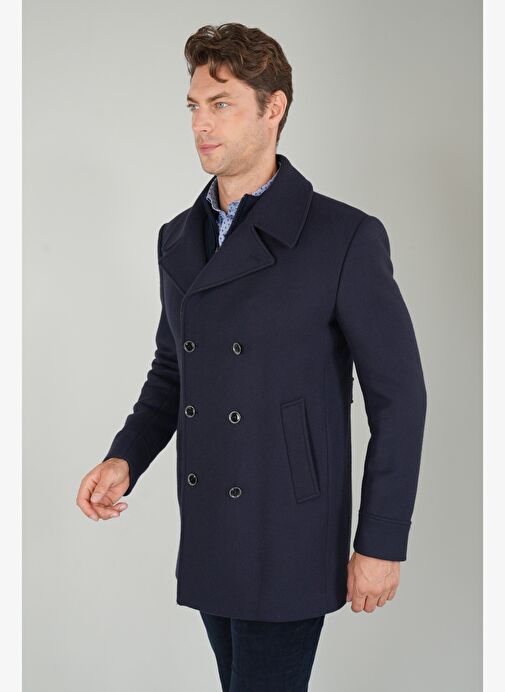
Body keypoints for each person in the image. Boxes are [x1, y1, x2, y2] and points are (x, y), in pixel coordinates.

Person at [76, 22, 427, 692]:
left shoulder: (343, 236)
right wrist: (125, 458)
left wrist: (381, 541)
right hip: (211, 523)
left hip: (290, 529)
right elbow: (173, 369)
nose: (200, 124)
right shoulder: (178, 238)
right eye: (193, 106)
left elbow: (400, 399)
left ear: (273, 109)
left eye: (222, 103)